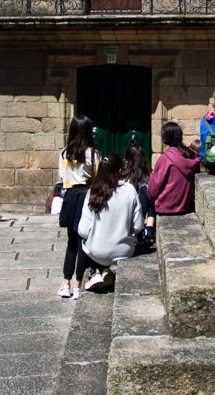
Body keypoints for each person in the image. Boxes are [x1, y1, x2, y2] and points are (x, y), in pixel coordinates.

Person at [78, 152, 144, 292]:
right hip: (123, 251)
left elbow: (83, 231)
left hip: (97, 253)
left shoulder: (93, 192)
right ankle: (104, 271)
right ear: (120, 172)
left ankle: (96, 271)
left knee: (86, 243)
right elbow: (138, 225)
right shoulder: (130, 190)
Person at [56, 113, 98, 300]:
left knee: (71, 243)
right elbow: (96, 176)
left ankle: (66, 284)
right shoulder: (92, 154)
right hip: (85, 196)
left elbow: (62, 177)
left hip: (70, 197)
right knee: (83, 242)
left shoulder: (64, 153)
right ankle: (79, 285)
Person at [149, 121, 201, 215]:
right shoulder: (191, 156)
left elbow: (153, 189)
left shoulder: (165, 159)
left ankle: (147, 227)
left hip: (165, 207)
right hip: (185, 205)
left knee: (144, 191)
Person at [123, 144, 154, 248]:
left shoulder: (123, 181)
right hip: (137, 226)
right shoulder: (148, 180)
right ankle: (149, 227)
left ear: (127, 161)